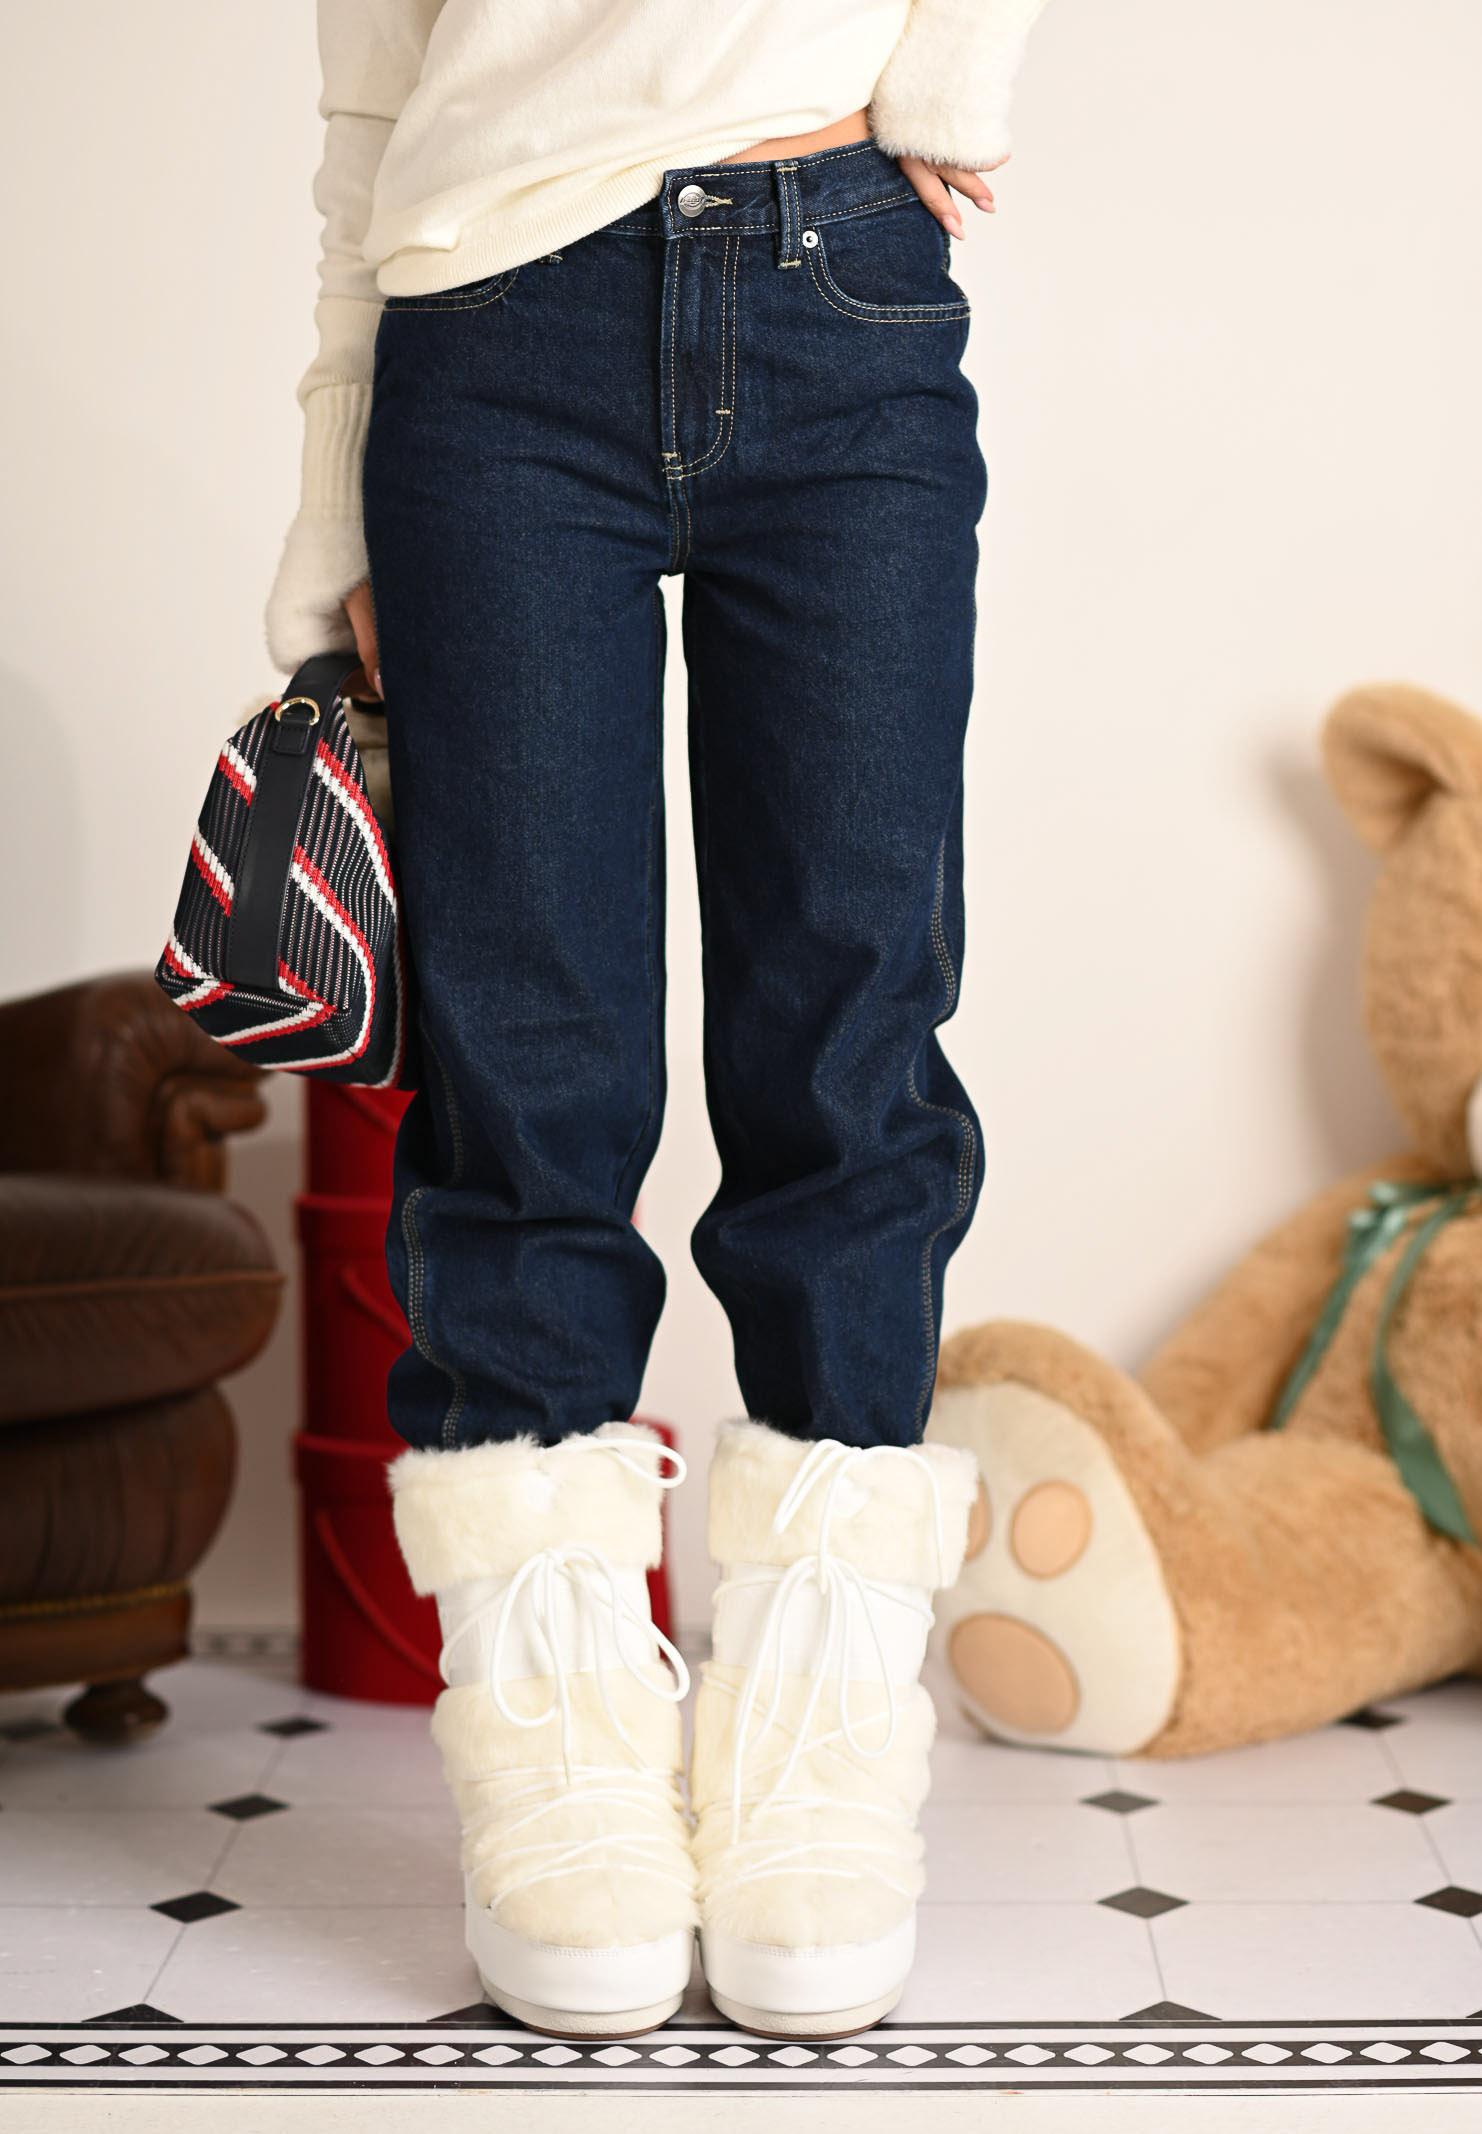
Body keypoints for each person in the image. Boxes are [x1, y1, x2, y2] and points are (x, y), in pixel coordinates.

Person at [266, 0, 1048, 2044]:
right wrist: (333, 509)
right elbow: (369, 92)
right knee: (527, 1061)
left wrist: (948, 83)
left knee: (851, 1037)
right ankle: (554, 1744)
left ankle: (819, 1738)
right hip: (486, 326)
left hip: (841, 281)